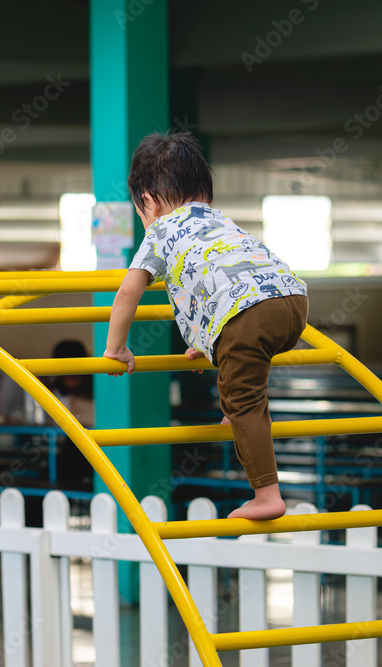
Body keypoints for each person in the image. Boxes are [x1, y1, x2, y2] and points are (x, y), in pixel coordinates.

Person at [102, 131, 309, 521]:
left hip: (245, 312)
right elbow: (210, 281)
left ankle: (267, 494)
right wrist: (211, 339)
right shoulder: (218, 221)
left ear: (146, 201)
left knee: (244, 400)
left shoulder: (160, 231)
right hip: (292, 302)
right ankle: (234, 402)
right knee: (242, 370)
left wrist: (117, 347)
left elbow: (128, 293)